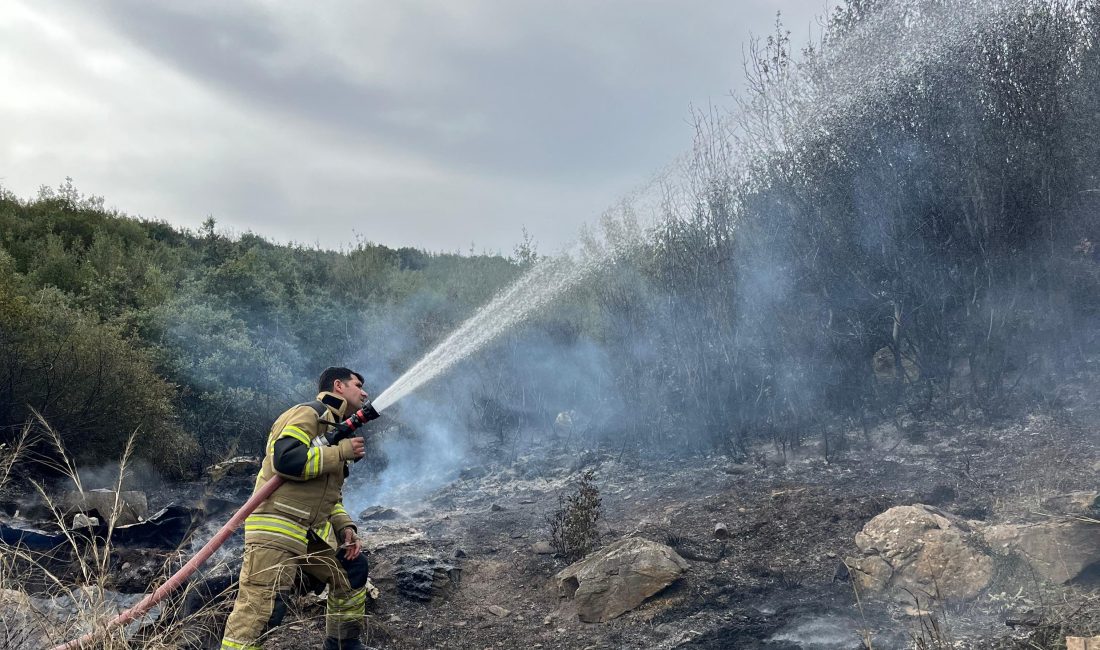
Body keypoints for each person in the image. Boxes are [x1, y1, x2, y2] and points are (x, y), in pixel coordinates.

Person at [220, 367, 376, 650]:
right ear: (338, 386)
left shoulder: (334, 429)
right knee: (262, 609)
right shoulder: (307, 414)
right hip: (276, 529)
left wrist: (345, 526)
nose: (364, 393)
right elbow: (286, 460)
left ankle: (343, 644)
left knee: (352, 570)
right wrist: (340, 453)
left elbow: (329, 495)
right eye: (358, 385)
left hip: (306, 533)